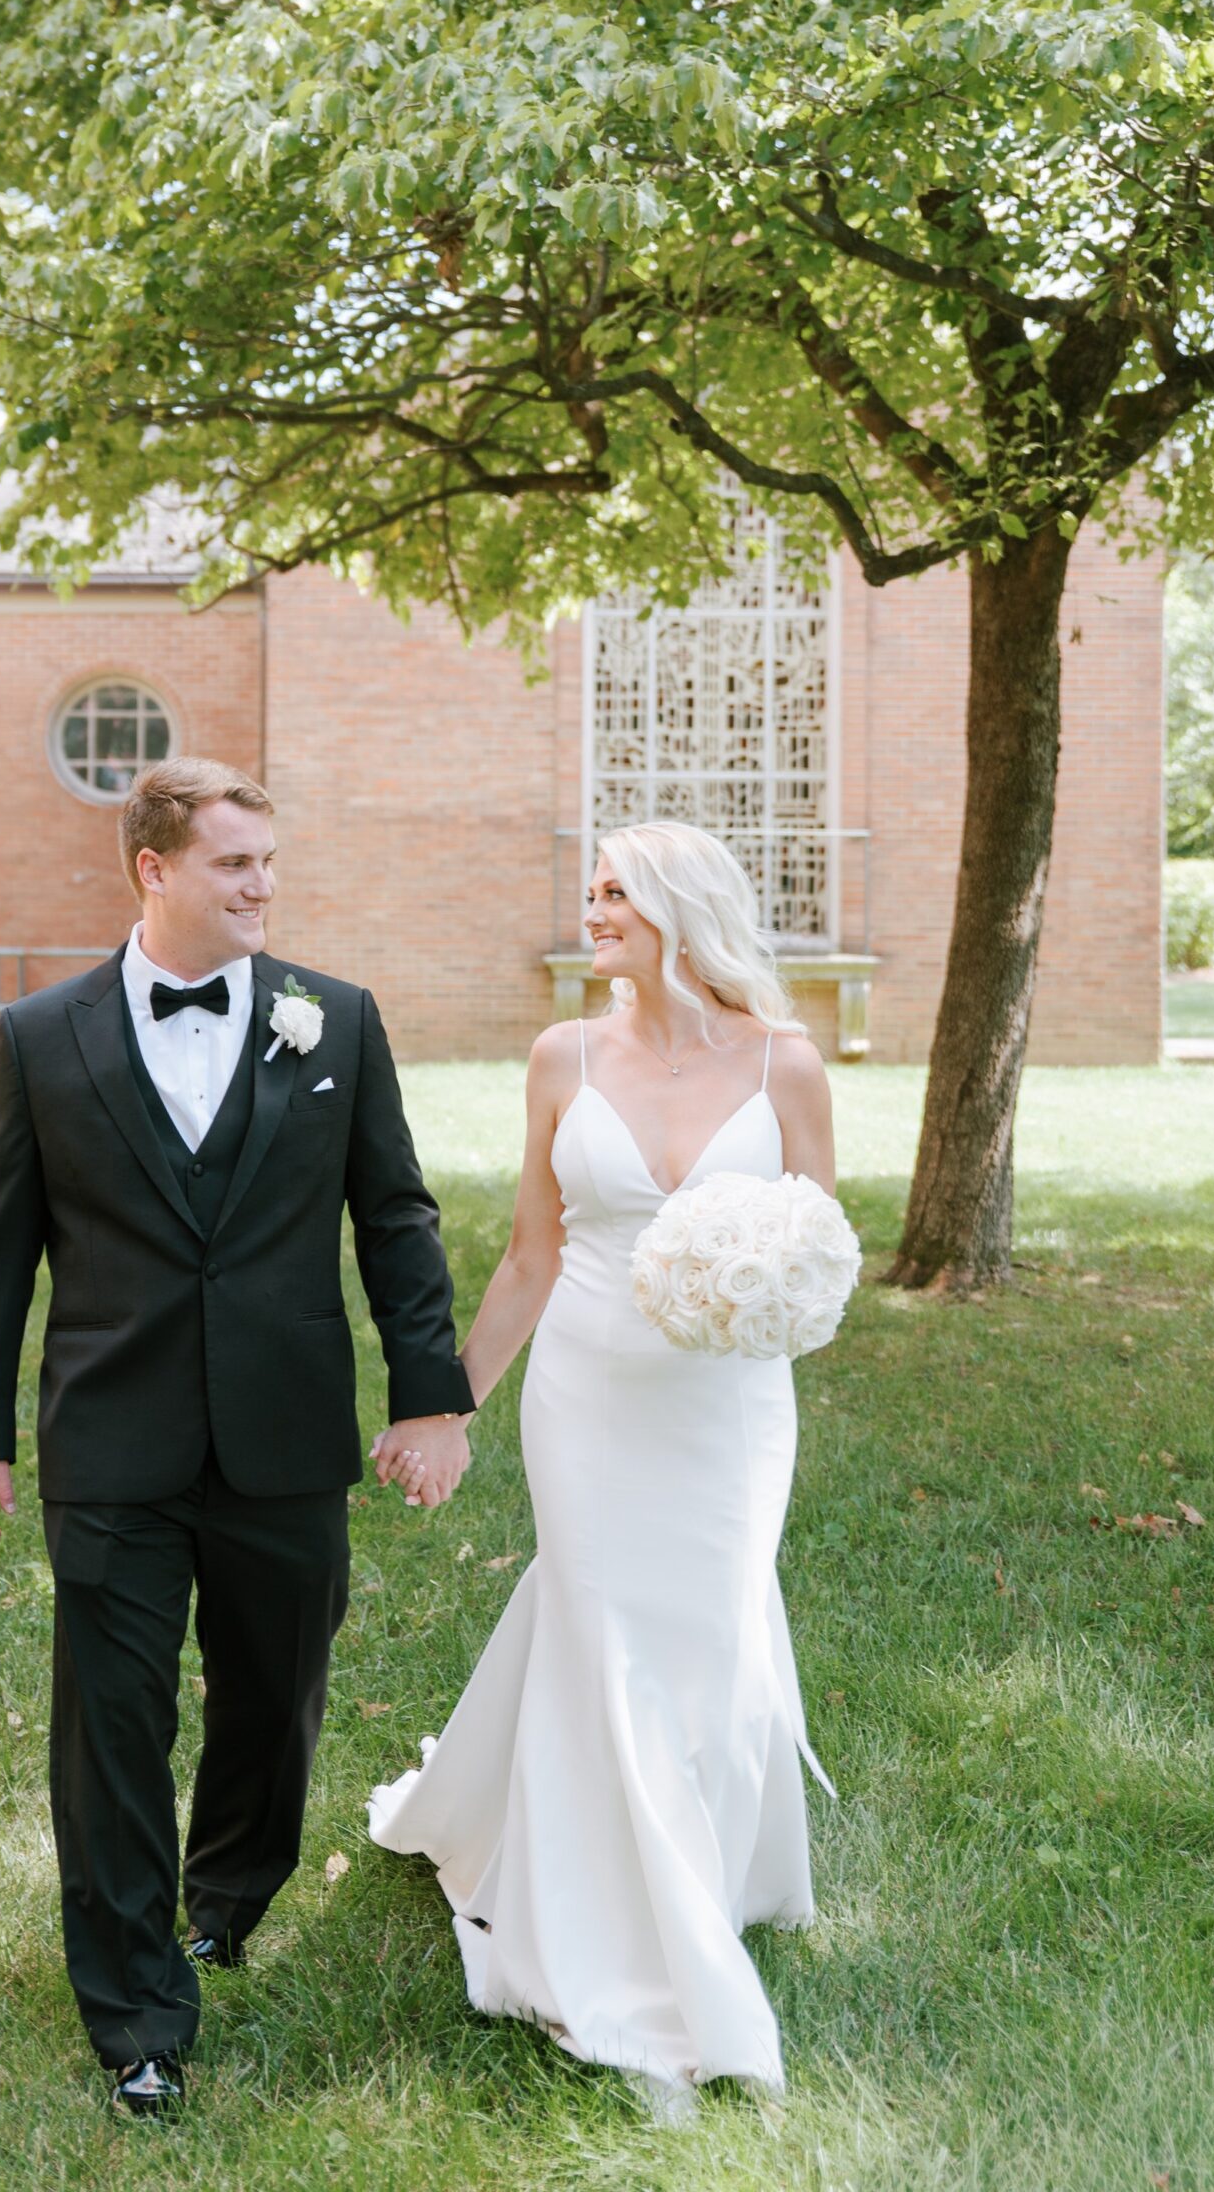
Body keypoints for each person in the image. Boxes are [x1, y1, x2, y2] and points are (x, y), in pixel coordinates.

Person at [0, 757, 475, 2121]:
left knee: (273, 1697)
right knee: (110, 1728)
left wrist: (430, 1394)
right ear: (154, 870)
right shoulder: (46, 1035)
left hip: (286, 1436)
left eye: (271, 864)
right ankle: (136, 2017)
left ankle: (226, 1899)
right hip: (112, 1439)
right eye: (236, 864)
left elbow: (395, 1220)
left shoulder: (334, 1022)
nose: (263, 888)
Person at [368, 821, 836, 2104]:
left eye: (617, 890)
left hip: (728, 1412)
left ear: (684, 906)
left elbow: (817, 1250)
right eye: (589, 888)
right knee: (607, 1634)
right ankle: (616, 1944)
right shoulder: (561, 1054)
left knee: (716, 1631)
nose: (593, 908)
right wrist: (445, 1408)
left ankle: (711, 1872)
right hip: (584, 1393)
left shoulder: (788, 1065)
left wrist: (766, 1303)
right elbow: (529, 1256)